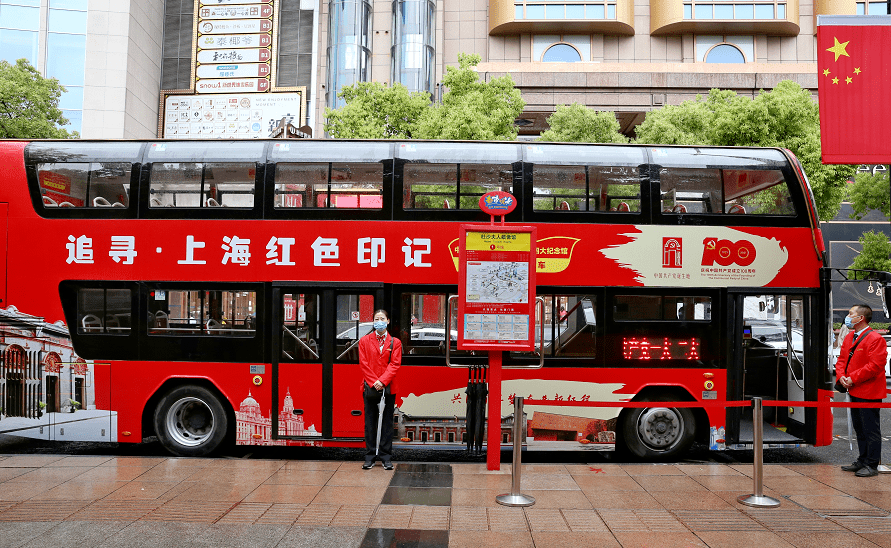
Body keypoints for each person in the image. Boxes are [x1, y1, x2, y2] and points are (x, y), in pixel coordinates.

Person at [836, 304, 888, 477]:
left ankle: (871, 464)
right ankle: (862, 460)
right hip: (853, 389)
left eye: (851, 313)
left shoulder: (875, 338)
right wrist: (841, 376)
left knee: (870, 429)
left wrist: (853, 378)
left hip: (869, 391)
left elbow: (875, 366)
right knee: (859, 427)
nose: (848, 316)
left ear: (861, 318)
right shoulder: (850, 336)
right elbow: (842, 360)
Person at [359, 309, 402, 470]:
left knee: (386, 423)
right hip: (369, 387)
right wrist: (374, 382)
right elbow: (364, 364)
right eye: (376, 319)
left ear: (388, 321)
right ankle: (370, 456)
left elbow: (395, 364)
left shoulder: (395, 342)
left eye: (382, 318)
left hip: (389, 387)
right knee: (370, 422)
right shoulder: (364, 341)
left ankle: (385, 456)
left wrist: (382, 381)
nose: (379, 321)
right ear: (373, 322)